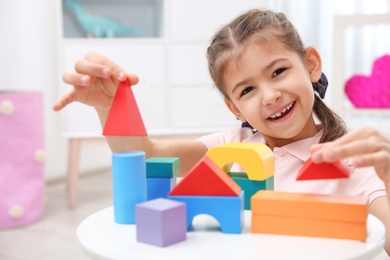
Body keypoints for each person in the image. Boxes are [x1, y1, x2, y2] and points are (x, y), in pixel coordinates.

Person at [53, 9, 390, 254]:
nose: (270, 96)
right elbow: (146, 156)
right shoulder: (228, 148)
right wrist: (110, 105)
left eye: (278, 71)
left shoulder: (351, 162)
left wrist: (387, 175)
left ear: (311, 65)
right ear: (234, 108)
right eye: (247, 91)